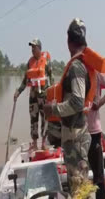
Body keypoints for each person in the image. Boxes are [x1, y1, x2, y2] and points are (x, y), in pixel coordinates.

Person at [43, 18, 92, 196]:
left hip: (75, 136)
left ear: (68, 41)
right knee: (80, 184)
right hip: (76, 133)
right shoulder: (80, 65)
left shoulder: (76, 67)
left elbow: (78, 103)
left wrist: (53, 109)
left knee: (80, 187)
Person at [14, 38, 53, 150]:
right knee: (33, 120)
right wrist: (18, 91)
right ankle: (35, 144)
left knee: (45, 119)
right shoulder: (30, 62)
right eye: (31, 47)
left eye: (34, 47)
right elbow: (25, 80)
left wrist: (52, 95)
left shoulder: (46, 61)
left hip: (44, 95)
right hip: (33, 96)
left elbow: (51, 78)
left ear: (39, 48)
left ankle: (43, 143)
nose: (32, 49)